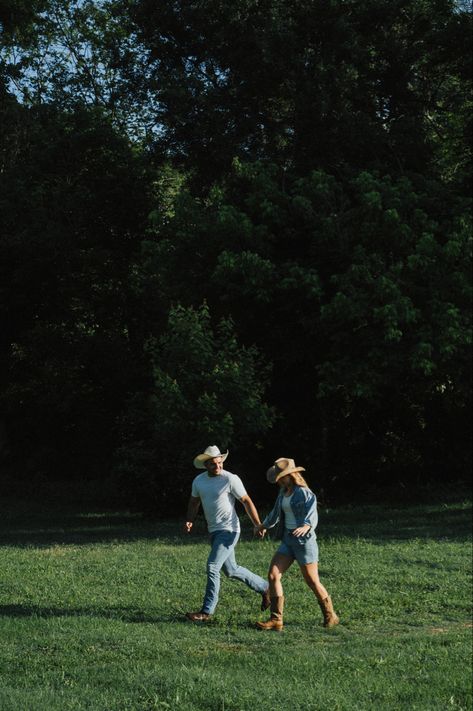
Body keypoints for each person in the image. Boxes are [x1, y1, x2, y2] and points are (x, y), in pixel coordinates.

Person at [184, 445, 270, 621]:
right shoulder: (198, 481)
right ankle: (266, 588)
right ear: (205, 465)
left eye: (220, 463)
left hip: (229, 530)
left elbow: (246, 500)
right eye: (214, 464)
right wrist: (190, 520)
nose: (218, 467)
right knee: (231, 570)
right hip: (214, 531)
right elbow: (194, 503)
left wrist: (257, 524)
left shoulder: (230, 479)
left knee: (212, 566)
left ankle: (206, 612)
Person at [254, 457, 339, 631]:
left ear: (289, 475)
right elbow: (276, 513)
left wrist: (306, 525)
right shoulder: (283, 492)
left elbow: (311, 513)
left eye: (280, 477)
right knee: (273, 575)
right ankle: (276, 620)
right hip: (288, 540)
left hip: (304, 542)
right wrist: (263, 525)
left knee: (312, 580)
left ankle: (331, 615)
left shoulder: (303, 492)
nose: (277, 480)